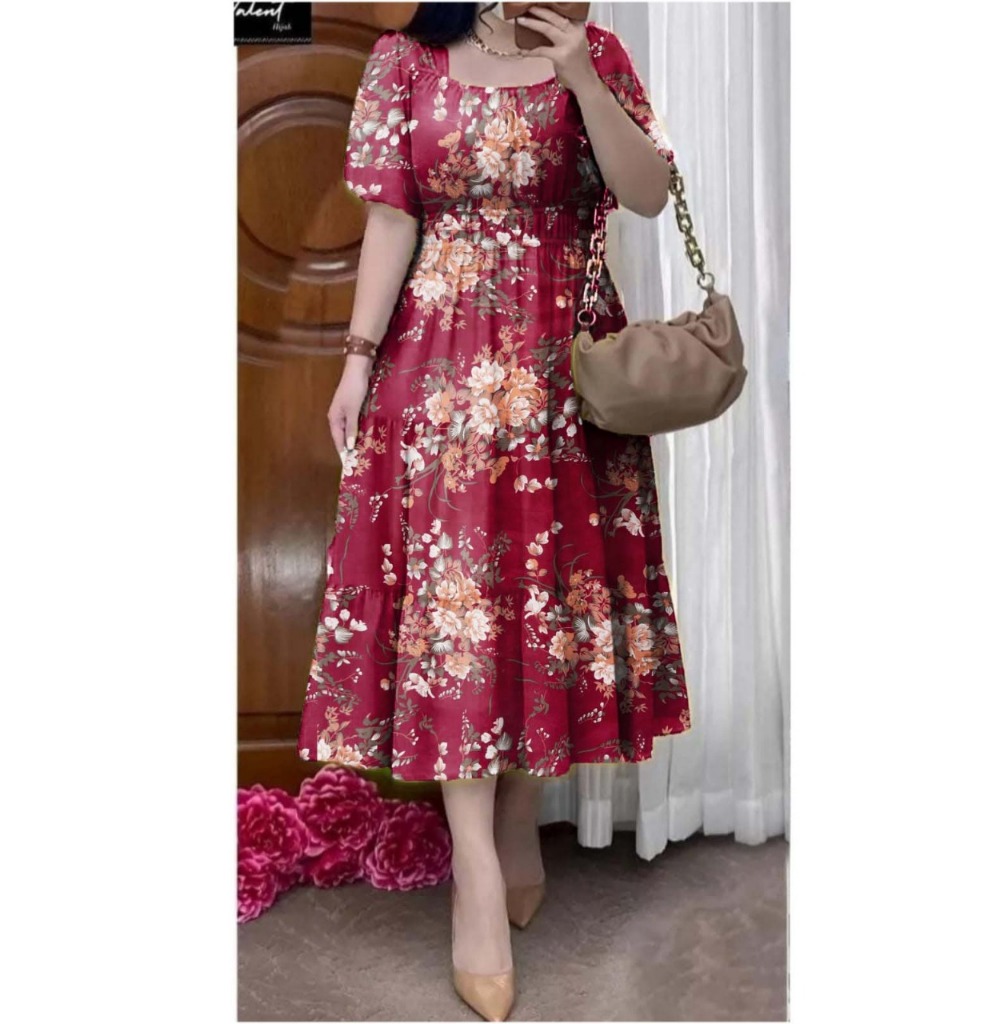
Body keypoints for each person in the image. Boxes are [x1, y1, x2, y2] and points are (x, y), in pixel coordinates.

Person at [296, 3, 692, 1019]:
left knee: (547, 606)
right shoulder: (405, 60)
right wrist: (356, 362)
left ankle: (519, 807)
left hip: (566, 373)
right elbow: (393, 218)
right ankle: (474, 867)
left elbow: (649, 193)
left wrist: (583, 78)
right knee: (456, 620)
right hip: (437, 377)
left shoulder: (595, 52)